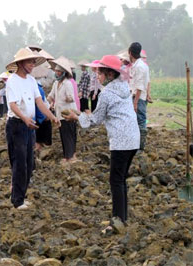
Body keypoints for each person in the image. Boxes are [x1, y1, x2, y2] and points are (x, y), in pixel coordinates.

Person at [63, 55, 139, 227]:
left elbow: (95, 120)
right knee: (121, 179)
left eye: (100, 72)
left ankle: (118, 220)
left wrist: (77, 117)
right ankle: (122, 218)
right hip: (133, 139)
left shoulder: (107, 94)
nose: (97, 76)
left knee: (116, 180)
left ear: (110, 74)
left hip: (121, 141)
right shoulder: (123, 87)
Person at [6, 47, 59, 210]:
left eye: (34, 62)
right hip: (17, 125)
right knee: (19, 162)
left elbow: (39, 102)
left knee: (29, 163)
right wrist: (24, 118)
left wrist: (51, 117)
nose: (32, 65)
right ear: (21, 63)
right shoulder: (12, 81)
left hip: (30, 126)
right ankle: (17, 200)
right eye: (30, 61)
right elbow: (13, 105)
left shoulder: (31, 81)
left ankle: (21, 196)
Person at [47, 56, 78, 163]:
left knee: (69, 134)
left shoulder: (68, 83)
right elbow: (51, 96)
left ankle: (70, 157)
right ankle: (68, 155)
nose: (57, 73)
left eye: (59, 71)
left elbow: (71, 98)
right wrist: (49, 102)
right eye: (56, 71)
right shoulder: (56, 83)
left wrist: (65, 98)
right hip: (59, 113)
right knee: (63, 135)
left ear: (64, 72)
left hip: (68, 113)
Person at [128, 42, 150, 151]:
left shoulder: (139, 66)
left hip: (139, 97)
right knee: (136, 120)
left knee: (140, 120)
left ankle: (140, 147)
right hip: (138, 96)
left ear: (130, 53)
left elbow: (140, 87)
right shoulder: (140, 65)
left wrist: (135, 102)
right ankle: (136, 144)